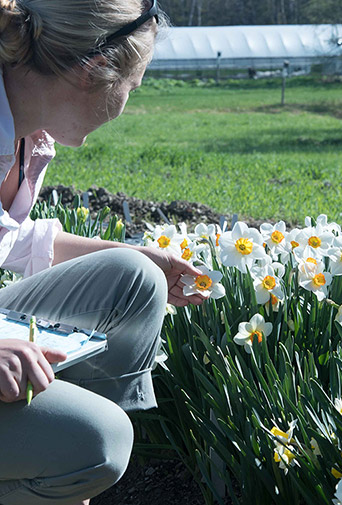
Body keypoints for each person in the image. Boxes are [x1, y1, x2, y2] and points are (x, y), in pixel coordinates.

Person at [0, 1, 205, 504]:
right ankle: (65, 461)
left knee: (133, 275)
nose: (127, 102)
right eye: (131, 88)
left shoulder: (28, 137)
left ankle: (62, 481)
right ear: (95, 71)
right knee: (100, 438)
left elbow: (10, 239)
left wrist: (138, 252)